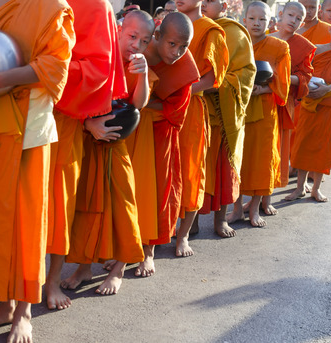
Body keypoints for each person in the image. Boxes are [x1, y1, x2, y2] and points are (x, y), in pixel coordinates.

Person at [0, 0, 75, 341]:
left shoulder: (49, 6)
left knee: (27, 221)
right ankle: (4, 304)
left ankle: (24, 311)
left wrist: (1, 78)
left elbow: (57, 64)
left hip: (29, 126)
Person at [60, 10, 154, 294]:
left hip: (116, 147)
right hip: (89, 143)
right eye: (132, 36)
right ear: (119, 29)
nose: (136, 45)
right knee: (87, 208)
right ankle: (84, 267)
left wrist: (145, 75)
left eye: (144, 40)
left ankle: (118, 269)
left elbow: (139, 103)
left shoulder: (138, 65)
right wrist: (89, 125)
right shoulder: (103, 56)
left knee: (123, 208)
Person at [45, 0, 127, 311]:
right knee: (12, 202)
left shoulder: (96, 5)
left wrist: (41, 70)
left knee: (57, 205)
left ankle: (51, 281)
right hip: (19, 105)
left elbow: (98, 68)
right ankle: (10, 283)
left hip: (64, 116)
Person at [118, 12, 200, 272]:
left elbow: (176, 110)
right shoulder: (138, 48)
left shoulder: (185, 66)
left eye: (184, 46)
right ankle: (123, 248)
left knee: (155, 192)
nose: (177, 52)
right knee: (125, 192)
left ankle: (148, 252)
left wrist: (140, 102)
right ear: (158, 36)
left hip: (160, 133)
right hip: (128, 130)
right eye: (172, 44)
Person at [195, 0, 255, 241]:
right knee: (195, 170)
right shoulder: (192, 27)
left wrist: (214, 83)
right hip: (194, 110)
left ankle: (220, 220)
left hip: (222, 115)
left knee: (220, 171)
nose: (206, 4)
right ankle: (192, 222)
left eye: (211, 0)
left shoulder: (233, 32)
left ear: (225, 4)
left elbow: (245, 74)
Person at [228, 1, 291, 226]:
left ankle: (254, 208)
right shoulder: (235, 42)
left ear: (270, 21)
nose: (257, 23)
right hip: (238, 109)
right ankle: (236, 208)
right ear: (244, 20)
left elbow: (283, 83)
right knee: (238, 159)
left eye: (262, 19)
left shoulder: (279, 47)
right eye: (253, 18)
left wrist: (262, 89)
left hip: (265, 110)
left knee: (262, 159)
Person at [286, 16, 331, 202]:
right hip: (309, 103)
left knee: (323, 147)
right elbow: (304, 71)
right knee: (302, 144)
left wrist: (327, 89)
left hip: (329, 106)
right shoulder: (316, 50)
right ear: (330, 30)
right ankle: (300, 188)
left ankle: (316, 188)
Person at [175, 0, 229, 247]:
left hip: (191, 107)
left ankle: (183, 235)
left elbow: (211, 78)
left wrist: (178, 92)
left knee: (191, 170)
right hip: (162, 110)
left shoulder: (210, 30)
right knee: (161, 171)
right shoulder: (168, 23)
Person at [269, 2, 315, 188]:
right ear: (281, 14)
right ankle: (253, 197)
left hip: (283, 102)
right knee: (258, 150)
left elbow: (305, 78)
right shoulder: (266, 39)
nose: (294, 21)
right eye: (291, 15)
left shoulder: (304, 46)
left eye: (298, 19)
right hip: (259, 100)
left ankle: (266, 197)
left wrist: (283, 78)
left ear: (302, 24)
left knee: (277, 148)